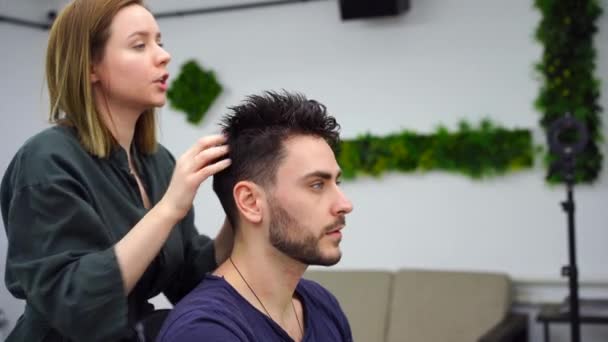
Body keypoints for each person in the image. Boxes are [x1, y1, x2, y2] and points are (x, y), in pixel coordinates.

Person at [0, 1, 233, 341]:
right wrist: (169, 208)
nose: (163, 56)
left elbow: (189, 280)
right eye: (139, 45)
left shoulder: (157, 162)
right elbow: (74, 302)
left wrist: (236, 209)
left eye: (160, 42)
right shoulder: (46, 160)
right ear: (90, 65)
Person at [157, 91, 355, 342]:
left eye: (337, 182)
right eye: (317, 185)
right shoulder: (204, 332)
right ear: (250, 202)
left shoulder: (323, 307)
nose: (345, 204)